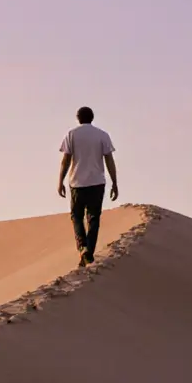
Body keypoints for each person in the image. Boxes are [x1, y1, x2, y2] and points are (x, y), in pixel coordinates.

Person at [57, 106, 119, 267]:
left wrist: (60, 181)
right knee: (93, 218)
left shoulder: (72, 134)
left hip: (77, 183)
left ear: (78, 118)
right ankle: (89, 251)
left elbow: (66, 160)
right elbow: (109, 161)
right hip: (97, 182)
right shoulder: (102, 135)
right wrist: (115, 182)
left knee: (76, 216)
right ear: (92, 117)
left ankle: (83, 247)